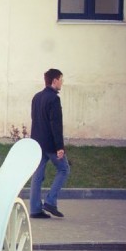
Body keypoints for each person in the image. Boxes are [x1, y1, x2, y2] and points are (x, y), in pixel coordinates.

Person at [29, 68, 70, 219]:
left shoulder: (36, 97)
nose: (62, 82)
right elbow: (56, 124)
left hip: (37, 143)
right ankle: (50, 202)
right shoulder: (54, 99)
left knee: (37, 176)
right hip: (51, 144)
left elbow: (35, 119)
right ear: (54, 81)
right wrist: (60, 147)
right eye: (61, 79)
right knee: (64, 169)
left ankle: (34, 209)